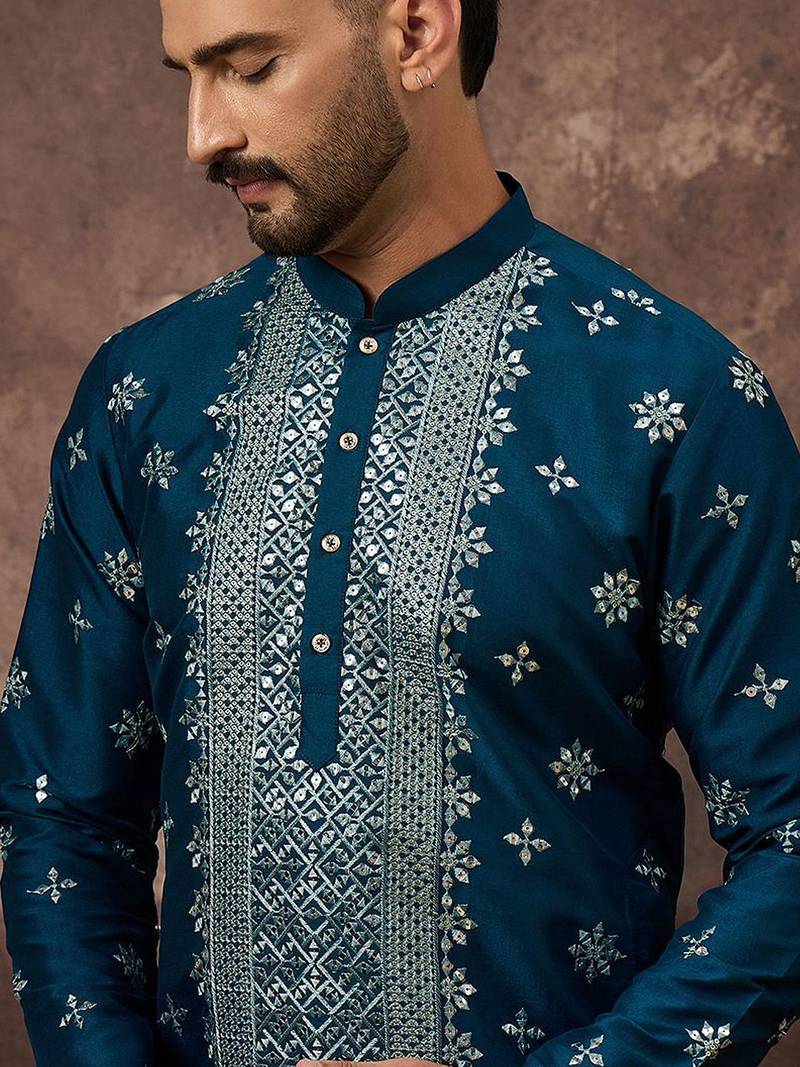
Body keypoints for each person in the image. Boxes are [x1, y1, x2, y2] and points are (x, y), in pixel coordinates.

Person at [1, 0, 799, 1064]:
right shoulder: (144, 393)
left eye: (250, 67)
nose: (202, 136)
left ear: (417, 32)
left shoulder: (671, 400)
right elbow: (59, 813)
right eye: (186, 75)